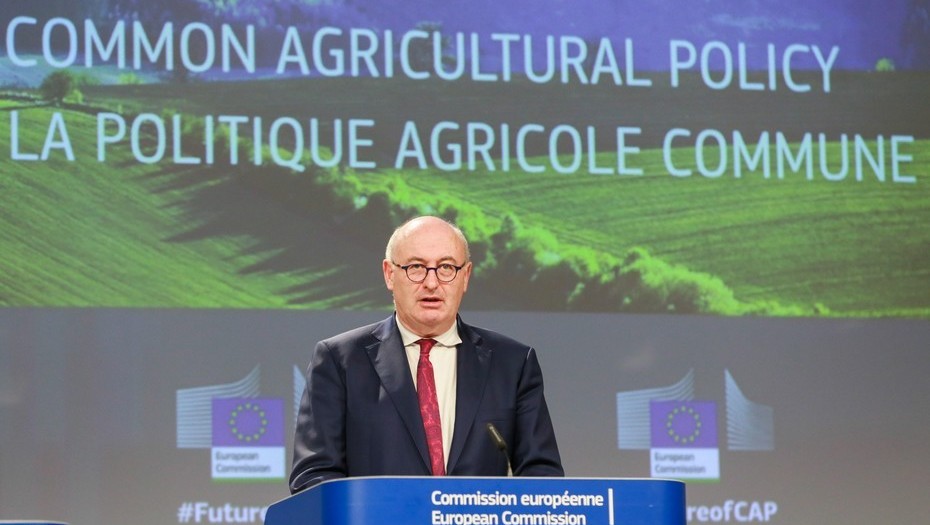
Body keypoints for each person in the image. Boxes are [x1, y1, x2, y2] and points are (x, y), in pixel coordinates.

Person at [289, 216, 563, 493]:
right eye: (416, 267)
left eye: (446, 267)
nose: (432, 283)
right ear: (389, 274)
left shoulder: (513, 364)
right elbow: (314, 478)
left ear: (465, 276)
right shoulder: (340, 361)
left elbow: (543, 478)